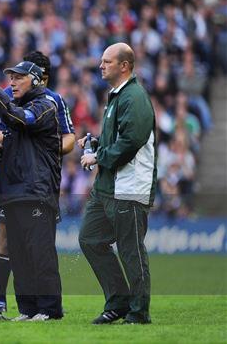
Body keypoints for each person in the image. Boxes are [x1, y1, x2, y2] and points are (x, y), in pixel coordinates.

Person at [0, 51, 75, 313]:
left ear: (38, 80)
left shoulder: (47, 103)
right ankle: (27, 309)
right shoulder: (8, 102)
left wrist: (41, 148)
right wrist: (5, 148)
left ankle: (48, 308)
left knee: (40, 251)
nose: (12, 82)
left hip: (36, 186)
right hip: (11, 186)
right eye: (11, 77)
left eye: (19, 77)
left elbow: (23, 121)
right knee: (20, 253)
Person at [79, 43, 157, 325]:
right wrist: (98, 143)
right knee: (90, 239)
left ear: (124, 66)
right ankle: (119, 301)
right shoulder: (117, 96)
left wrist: (97, 156)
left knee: (130, 250)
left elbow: (131, 142)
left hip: (130, 187)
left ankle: (138, 312)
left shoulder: (133, 96)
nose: (101, 65)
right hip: (108, 187)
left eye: (107, 61)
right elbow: (120, 138)